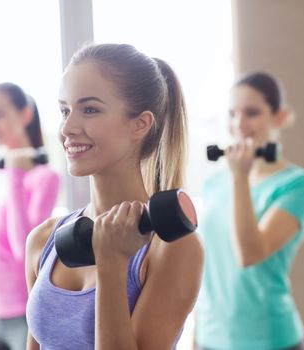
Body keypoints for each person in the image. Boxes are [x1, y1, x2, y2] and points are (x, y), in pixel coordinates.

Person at [25, 43, 204, 350]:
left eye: (90, 109)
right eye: (65, 110)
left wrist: (111, 262)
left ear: (140, 124)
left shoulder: (172, 248)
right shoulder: (44, 240)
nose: (67, 128)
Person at [194, 72, 304, 350]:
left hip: (270, 339)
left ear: (280, 116)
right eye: (232, 114)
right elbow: (209, 268)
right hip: (210, 337)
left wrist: (240, 178)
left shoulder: (299, 184)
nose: (239, 124)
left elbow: (250, 254)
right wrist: (196, 337)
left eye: (251, 113)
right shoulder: (214, 183)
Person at [0, 82, 60, 350]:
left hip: (23, 314)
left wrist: (15, 175)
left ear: (25, 115)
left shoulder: (45, 178)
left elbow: (23, 248)